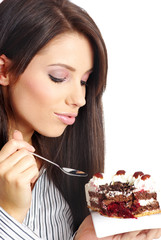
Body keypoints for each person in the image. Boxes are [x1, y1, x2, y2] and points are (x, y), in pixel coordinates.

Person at [0, 0, 161, 239]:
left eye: (84, 81)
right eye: (58, 77)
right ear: (4, 71)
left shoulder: (60, 175)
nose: (80, 99)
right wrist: (9, 215)